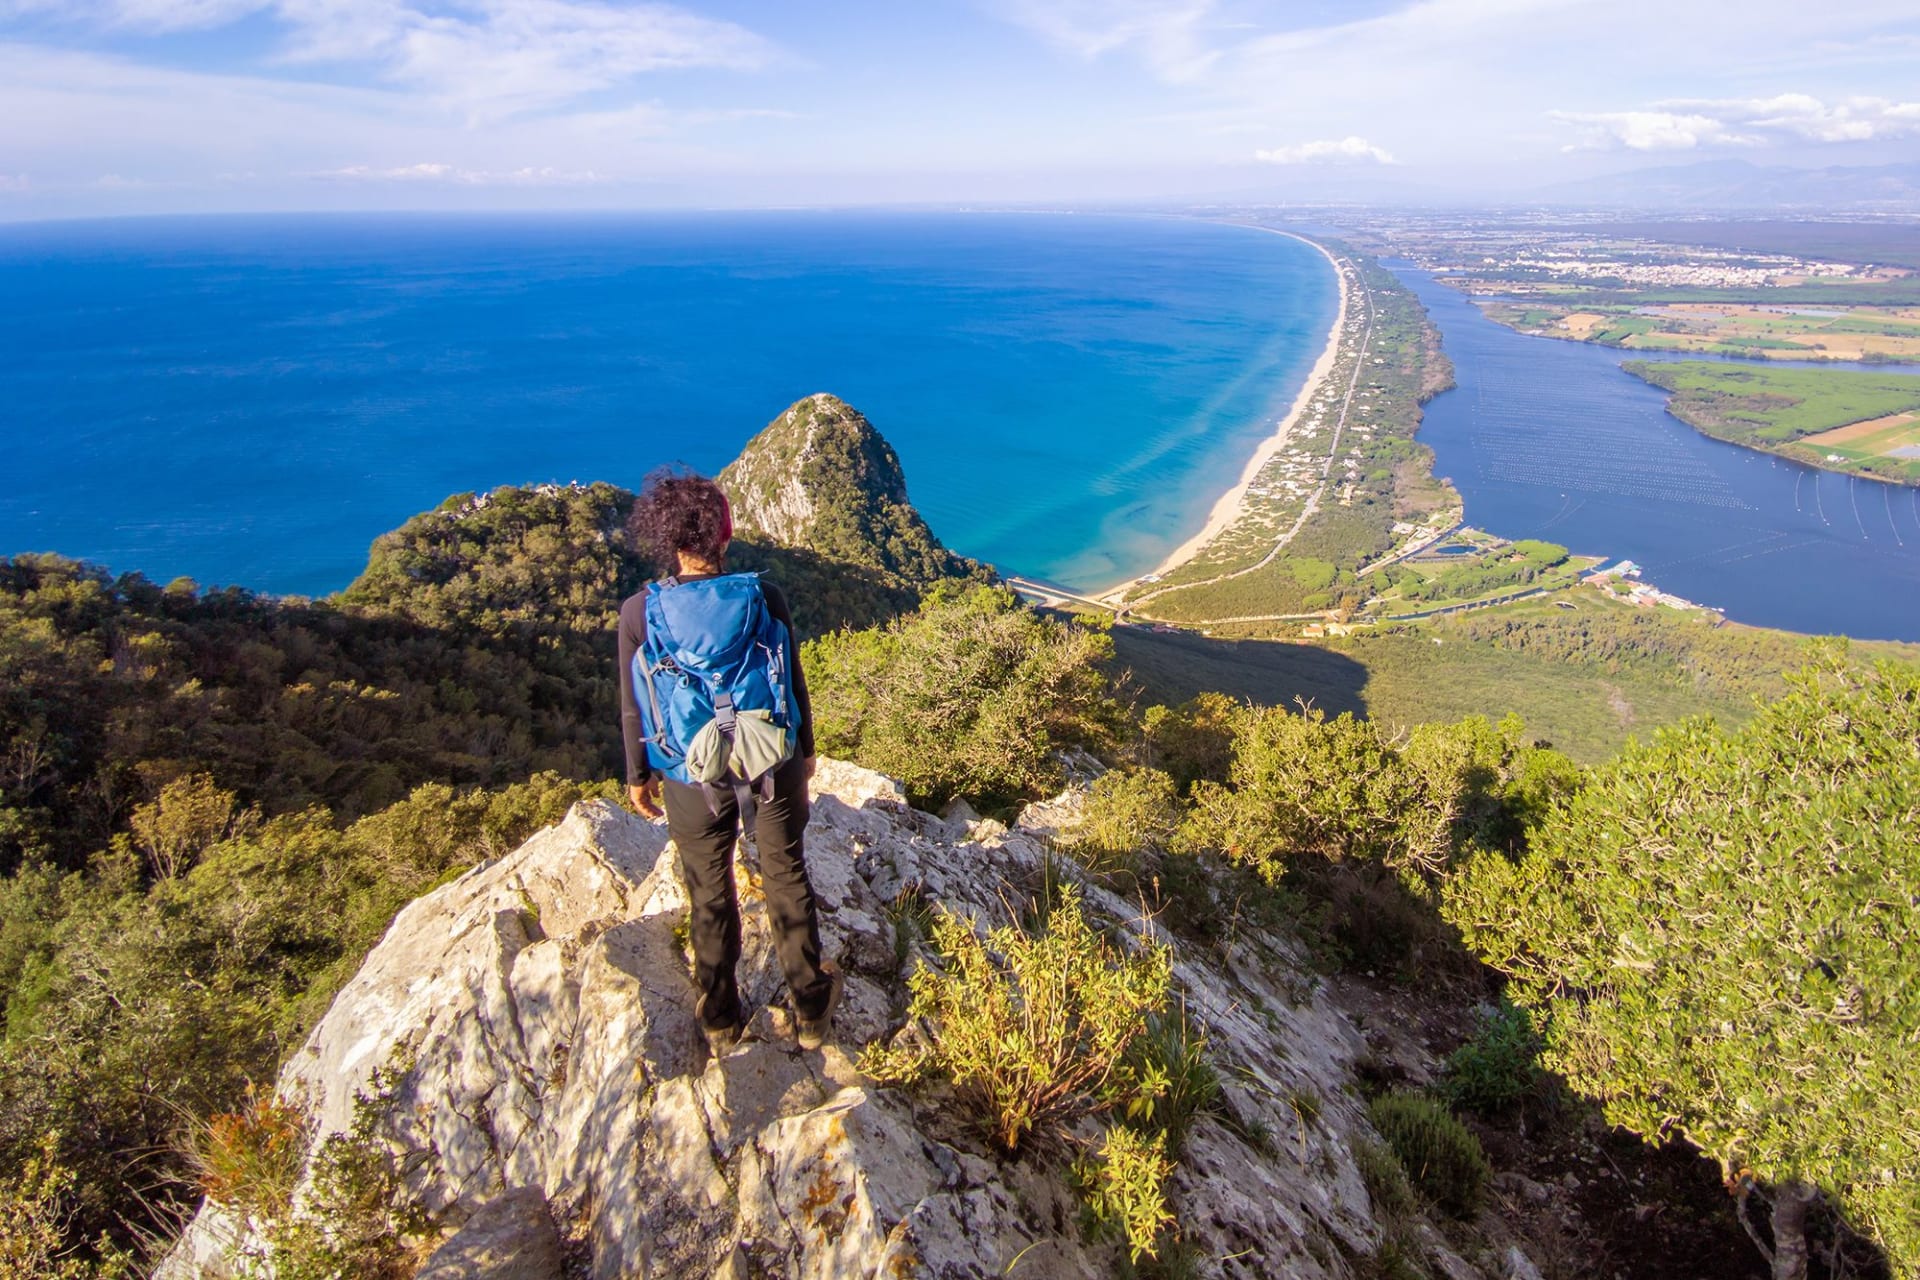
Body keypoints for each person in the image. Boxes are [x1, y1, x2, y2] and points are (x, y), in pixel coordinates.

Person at [618, 468, 841, 1057]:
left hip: (690, 772)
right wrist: (806, 750)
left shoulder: (640, 613)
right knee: (785, 872)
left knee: (709, 889)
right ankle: (811, 1008)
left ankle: (720, 1015)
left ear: (669, 540)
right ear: (725, 533)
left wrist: (639, 775)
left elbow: (633, 704)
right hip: (772, 758)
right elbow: (792, 682)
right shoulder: (764, 597)